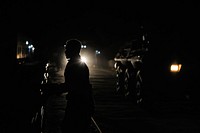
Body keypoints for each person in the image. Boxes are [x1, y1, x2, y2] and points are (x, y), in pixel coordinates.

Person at [61, 39, 95, 133]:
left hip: (78, 105)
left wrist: (51, 88)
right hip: (82, 103)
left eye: (67, 49)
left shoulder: (74, 65)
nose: (65, 52)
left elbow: (71, 86)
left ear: (73, 50)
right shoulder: (78, 64)